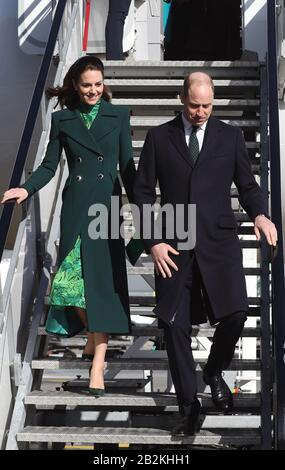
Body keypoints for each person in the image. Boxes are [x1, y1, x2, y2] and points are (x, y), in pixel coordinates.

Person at [133, 72, 277, 435]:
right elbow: (143, 194)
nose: (200, 112)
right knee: (173, 322)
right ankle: (189, 406)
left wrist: (260, 214)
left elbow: (247, 184)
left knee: (237, 313)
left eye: (207, 106)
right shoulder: (158, 137)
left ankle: (213, 370)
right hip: (173, 244)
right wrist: (152, 240)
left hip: (218, 242)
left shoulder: (229, 137)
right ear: (182, 98)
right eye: (194, 105)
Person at [1, 56, 142, 396]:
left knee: (102, 287)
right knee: (68, 284)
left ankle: (98, 365)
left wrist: (144, 206)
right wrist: (28, 186)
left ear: (103, 83)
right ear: (75, 87)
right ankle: (95, 339)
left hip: (105, 208)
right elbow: (50, 165)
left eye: (98, 84)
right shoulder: (62, 119)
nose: (94, 90)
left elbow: (127, 167)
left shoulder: (118, 116)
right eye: (86, 85)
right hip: (76, 207)